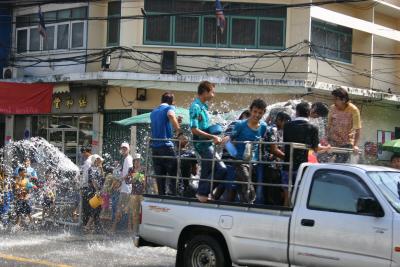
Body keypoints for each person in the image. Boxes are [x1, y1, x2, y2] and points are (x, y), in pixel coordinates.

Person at [189, 81, 227, 203]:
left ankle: (201, 194)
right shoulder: (195, 107)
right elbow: (194, 129)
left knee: (206, 171)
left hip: (206, 143)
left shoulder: (204, 107)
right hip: (202, 144)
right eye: (212, 92)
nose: (213, 95)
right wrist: (212, 136)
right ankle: (203, 193)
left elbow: (203, 127)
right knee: (221, 169)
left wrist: (214, 133)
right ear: (205, 92)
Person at [227, 99, 267, 203]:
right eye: (255, 112)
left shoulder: (263, 127)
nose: (257, 115)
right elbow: (228, 140)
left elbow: (260, 141)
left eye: (260, 113)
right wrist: (234, 154)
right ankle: (251, 200)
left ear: (264, 113)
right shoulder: (240, 124)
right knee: (247, 182)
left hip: (253, 162)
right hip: (239, 161)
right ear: (250, 110)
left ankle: (245, 205)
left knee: (241, 188)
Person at [283, 102, 320, 206]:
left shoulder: (287, 126)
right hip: (302, 168)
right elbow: (315, 148)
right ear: (309, 113)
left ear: (297, 112)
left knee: (287, 197)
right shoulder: (313, 128)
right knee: (300, 197)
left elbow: (285, 144)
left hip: (287, 166)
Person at [150, 92, 181, 195]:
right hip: (166, 148)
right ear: (172, 102)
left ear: (161, 101)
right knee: (173, 174)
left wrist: (177, 122)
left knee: (160, 178)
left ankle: (161, 197)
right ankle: (173, 197)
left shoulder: (153, 112)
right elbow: (171, 115)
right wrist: (179, 132)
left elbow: (162, 126)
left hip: (155, 150)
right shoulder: (169, 108)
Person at [263, 111, 291, 205]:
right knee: (272, 189)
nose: (287, 125)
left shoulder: (281, 131)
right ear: (279, 120)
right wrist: (288, 159)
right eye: (285, 122)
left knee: (277, 189)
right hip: (270, 163)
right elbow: (273, 149)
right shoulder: (273, 129)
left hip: (277, 164)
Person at [327, 87, 362, 163]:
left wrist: (355, 145)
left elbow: (358, 130)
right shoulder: (332, 108)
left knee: (338, 165)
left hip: (346, 144)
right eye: (333, 99)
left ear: (343, 100)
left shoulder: (353, 110)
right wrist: (326, 140)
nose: (334, 102)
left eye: (336, 99)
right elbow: (328, 126)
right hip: (332, 142)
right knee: (321, 159)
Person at [111, 142, 133, 233]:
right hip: (126, 188)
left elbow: (130, 172)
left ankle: (113, 228)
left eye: (125, 148)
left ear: (129, 149)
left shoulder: (128, 159)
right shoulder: (126, 159)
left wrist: (120, 180)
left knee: (120, 208)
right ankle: (128, 228)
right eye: (122, 148)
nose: (123, 150)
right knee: (126, 209)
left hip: (126, 189)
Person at [125, 153, 145, 234]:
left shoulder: (143, 169)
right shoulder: (131, 169)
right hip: (134, 194)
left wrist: (143, 180)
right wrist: (131, 181)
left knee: (143, 213)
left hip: (142, 194)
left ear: (140, 161)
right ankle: (135, 231)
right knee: (134, 213)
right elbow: (127, 181)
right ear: (133, 162)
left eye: (138, 161)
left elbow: (146, 181)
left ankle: (142, 230)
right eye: (135, 161)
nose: (137, 162)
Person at [84, 154, 105, 233]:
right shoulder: (91, 169)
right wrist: (97, 190)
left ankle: (91, 227)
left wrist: (101, 168)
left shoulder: (98, 169)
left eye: (100, 160)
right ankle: (87, 226)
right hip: (93, 192)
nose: (100, 162)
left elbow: (102, 178)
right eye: (98, 160)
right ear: (95, 160)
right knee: (94, 209)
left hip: (98, 192)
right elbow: (93, 181)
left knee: (98, 209)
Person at [80, 147, 93, 226]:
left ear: (86, 152)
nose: (83, 155)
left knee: (86, 206)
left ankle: (85, 224)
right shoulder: (93, 159)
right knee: (90, 206)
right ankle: (89, 224)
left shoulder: (88, 161)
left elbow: (86, 176)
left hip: (87, 187)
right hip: (91, 187)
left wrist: (82, 186)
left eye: (83, 153)